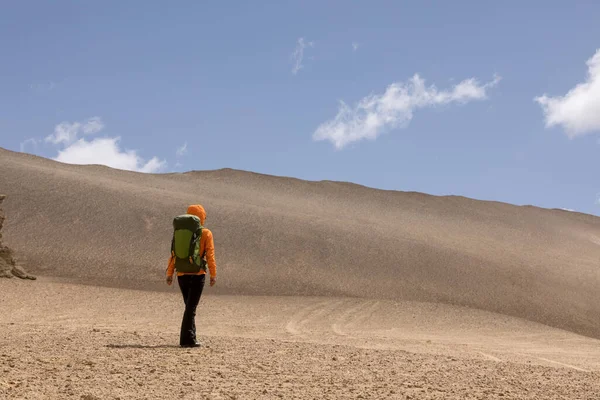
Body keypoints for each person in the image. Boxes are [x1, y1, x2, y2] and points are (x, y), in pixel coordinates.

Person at [166, 204, 217, 347]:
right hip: (197, 274)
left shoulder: (180, 232)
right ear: (201, 217)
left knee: (189, 307)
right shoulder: (206, 233)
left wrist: (170, 273)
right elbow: (210, 255)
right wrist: (213, 274)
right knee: (191, 308)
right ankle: (186, 340)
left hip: (181, 274)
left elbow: (173, 254)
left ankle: (191, 337)